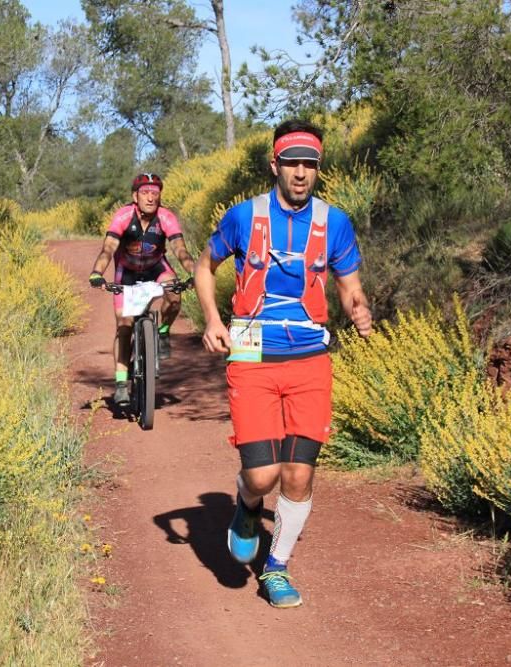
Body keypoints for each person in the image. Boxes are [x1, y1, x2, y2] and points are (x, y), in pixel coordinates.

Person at [194, 119, 373, 608]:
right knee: (262, 476)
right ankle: (247, 506)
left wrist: (357, 304)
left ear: (318, 170)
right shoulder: (242, 217)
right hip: (252, 357)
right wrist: (212, 319)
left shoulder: (334, 222)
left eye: (309, 165)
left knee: (299, 474)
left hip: (310, 359)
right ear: (274, 164)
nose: (300, 173)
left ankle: (276, 568)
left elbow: (347, 281)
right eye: (292, 163)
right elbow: (203, 267)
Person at [89, 173, 196, 405]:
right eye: (145, 193)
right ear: (134, 196)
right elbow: (108, 249)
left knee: (174, 294)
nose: (150, 198)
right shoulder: (123, 216)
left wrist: (194, 271)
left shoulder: (166, 218)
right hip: (126, 272)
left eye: (155, 193)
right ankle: (120, 384)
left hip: (155, 267)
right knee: (124, 326)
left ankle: (164, 330)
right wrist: (97, 272)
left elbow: (180, 250)